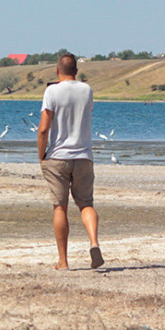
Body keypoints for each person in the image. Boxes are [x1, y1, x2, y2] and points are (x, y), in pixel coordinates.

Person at [37, 53, 103, 270]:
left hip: (58, 156)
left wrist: (41, 155)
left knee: (60, 208)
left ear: (57, 71)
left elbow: (44, 128)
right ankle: (93, 242)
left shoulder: (51, 91)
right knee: (86, 204)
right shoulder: (87, 90)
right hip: (84, 156)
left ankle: (63, 261)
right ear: (76, 71)